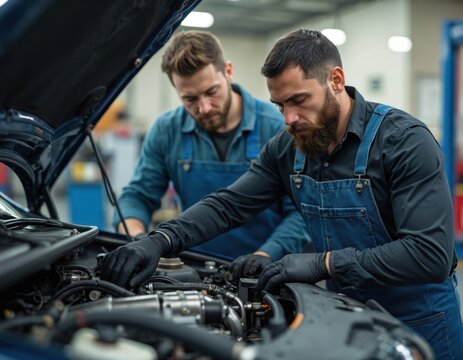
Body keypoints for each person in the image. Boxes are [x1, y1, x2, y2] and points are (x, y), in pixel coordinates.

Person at [102, 29, 463, 357]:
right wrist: (161, 239)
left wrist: (322, 264)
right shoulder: (290, 147)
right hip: (347, 322)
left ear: (336, 80)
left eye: (299, 100)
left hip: (421, 324)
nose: (289, 118)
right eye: (280, 106)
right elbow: (228, 205)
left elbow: (428, 254)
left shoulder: (403, 142)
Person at [111, 30, 309, 277]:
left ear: (228, 71)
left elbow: (301, 213)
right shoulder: (167, 130)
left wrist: (266, 255)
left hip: (266, 272)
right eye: (190, 98)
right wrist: (139, 239)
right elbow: (138, 195)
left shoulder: (278, 128)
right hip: (193, 272)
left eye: (211, 92)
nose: (203, 107)